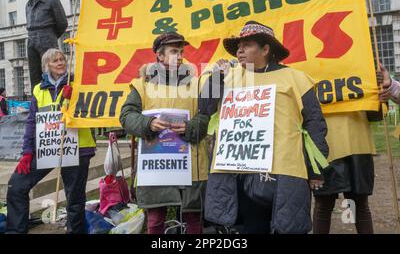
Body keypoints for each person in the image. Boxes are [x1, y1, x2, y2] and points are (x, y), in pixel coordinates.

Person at [202, 21, 329, 234]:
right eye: (238, 46)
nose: (240, 50)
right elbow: (205, 109)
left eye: (247, 44)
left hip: (283, 169)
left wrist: (315, 170)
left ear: (265, 49)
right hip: (237, 170)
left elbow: (315, 124)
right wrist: (216, 79)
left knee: (285, 227)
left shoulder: (296, 79)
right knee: (249, 228)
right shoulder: (228, 76)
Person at [119, 32, 210, 234]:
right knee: (155, 218)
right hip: (156, 164)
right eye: (174, 52)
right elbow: (126, 116)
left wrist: (190, 127)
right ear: (160, 56)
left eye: (181, 52)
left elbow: (204, 116)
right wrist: (148, 123)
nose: (179, 56)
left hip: (191, 163)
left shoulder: (197, 83)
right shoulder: (142, 84)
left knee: (193, 217)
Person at [6, 49, 96, 234]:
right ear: (47, 65)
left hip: (77, 148)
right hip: (47, 147)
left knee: (75, 198)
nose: (60, 62)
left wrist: (75, 100)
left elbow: (92, 111)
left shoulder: (78, 83)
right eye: (55, 60)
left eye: (62, 59)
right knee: (16, 185)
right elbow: (32, 121)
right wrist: (27, 152)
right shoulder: (38, 90)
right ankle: (15, 230)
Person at [312, 68, 385, 234]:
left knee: (359, 203)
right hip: (324, 146)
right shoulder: (311, 68)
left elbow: (376, 116)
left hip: (358, 145)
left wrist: (378, 93)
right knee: (324, 203)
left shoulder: (361, 67)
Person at [26, 0, 68, 89]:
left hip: (47, 36)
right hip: (31, 39)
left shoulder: (52, 0)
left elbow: (62, 23)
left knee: (51, 70)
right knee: (34, 72)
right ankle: (36, 99)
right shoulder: (28, 4)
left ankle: (54, 92)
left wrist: (51, 36)